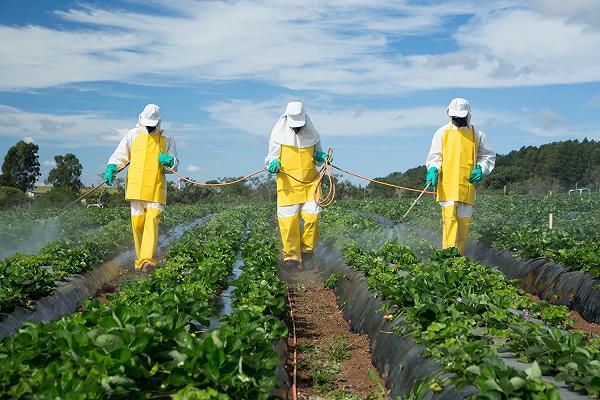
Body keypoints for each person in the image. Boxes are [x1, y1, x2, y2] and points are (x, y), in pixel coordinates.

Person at [103, 104, 178, 272]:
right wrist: (111, 168)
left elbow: (174, 165)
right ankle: (140, 260)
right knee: (137, 224)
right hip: (136, 188)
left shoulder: (167, 139)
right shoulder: (132, 135)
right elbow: (120, 155)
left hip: (156, 186)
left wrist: (169, 161)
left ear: (158, 122)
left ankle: (147, 260)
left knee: (152, 220)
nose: (150, 126)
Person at [425, 98, 495, 254]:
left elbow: (488, 156)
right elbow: (435, 157)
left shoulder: (477, 134)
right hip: (447, 186)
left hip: (467, 186)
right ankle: (448, 258)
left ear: (467, 115)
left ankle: (459, 258)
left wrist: (481, 170)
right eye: (455, 117)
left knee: (463, 226)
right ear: (450, 115)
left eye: (460, 117)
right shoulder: (442, 132)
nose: (457, 120)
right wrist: (433, 170)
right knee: (449, 222)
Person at [265, 101, 330, 267]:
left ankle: (307, 251)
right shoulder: (277, 136)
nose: (297, 129)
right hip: (288, 185)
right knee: (289, 222)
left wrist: (321, 157)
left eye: (299, 126)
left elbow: (317, 156)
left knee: (312, 218)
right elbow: (272, 157)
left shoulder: (313, 135)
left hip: (310, 183)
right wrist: (273, 164)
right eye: (294, 126)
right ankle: (292, 257)